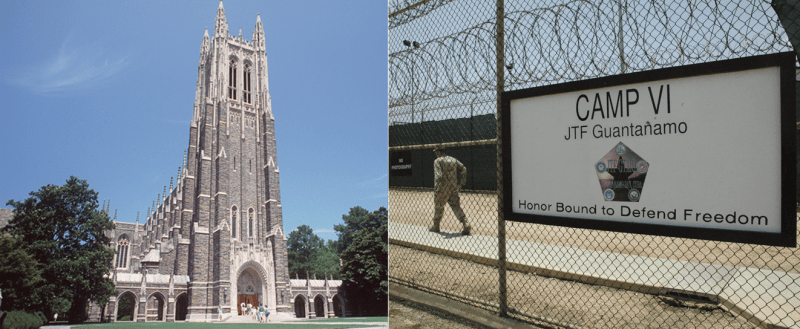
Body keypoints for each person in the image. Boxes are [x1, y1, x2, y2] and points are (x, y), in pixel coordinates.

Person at [431, 146, 470, 234]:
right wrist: (461, 184)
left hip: (442, 188)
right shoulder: (453, 159)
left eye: (436, 152)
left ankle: (436, 226)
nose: (436, 154)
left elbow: (439, 176)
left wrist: (437, 189)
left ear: (438, 152)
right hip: (453, 187)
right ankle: (465, 223)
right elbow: (464, 169)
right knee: (456, 206)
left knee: (439, 207)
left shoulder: (437, 161)